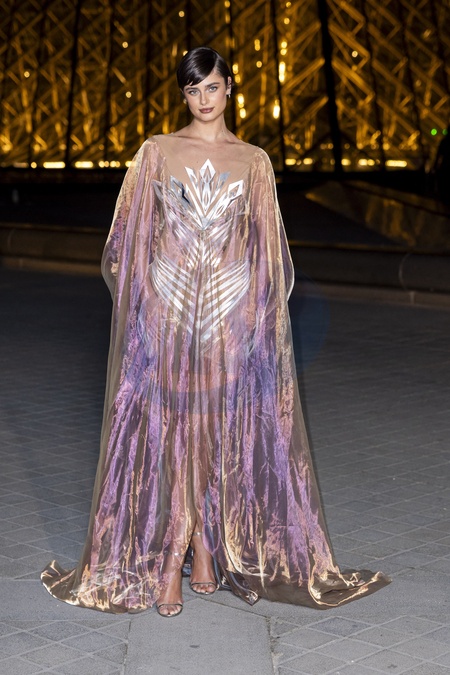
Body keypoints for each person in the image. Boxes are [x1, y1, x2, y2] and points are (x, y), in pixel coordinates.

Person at [41, 47, 390, 618]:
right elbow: (128, 241)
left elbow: (266, 254)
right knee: (173, 431)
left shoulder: (254, 161)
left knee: (212, 431)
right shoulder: (156, 152)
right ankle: (174, 555)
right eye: (193, 89)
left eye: (212, 87)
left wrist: (253, 319)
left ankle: (202, 544)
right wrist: (146, 307)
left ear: (230, 88)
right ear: (184, 95)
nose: (204, 99)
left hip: (227, 321)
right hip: (169, 317)